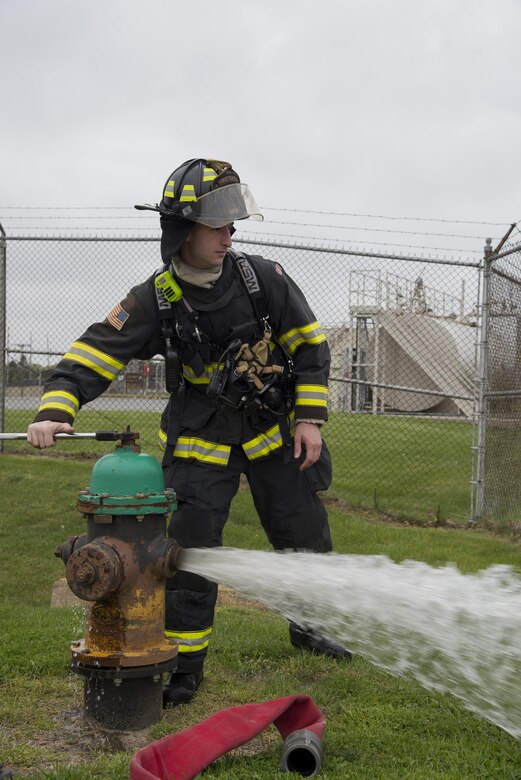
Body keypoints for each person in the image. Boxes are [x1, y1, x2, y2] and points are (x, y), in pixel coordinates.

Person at [27, 158, 352, 707]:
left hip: (274, 430)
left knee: (303, 532)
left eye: (232, 223)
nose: (230, 234)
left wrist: (309, 419)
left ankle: (312, 627)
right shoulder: (156, 298)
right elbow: (94, 352)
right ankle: (184, 661)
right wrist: (57, 408)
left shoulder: (263, 279)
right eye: (217, 224)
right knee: (189, 550)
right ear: (183, 230)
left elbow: (310, 346)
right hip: (201, 438)